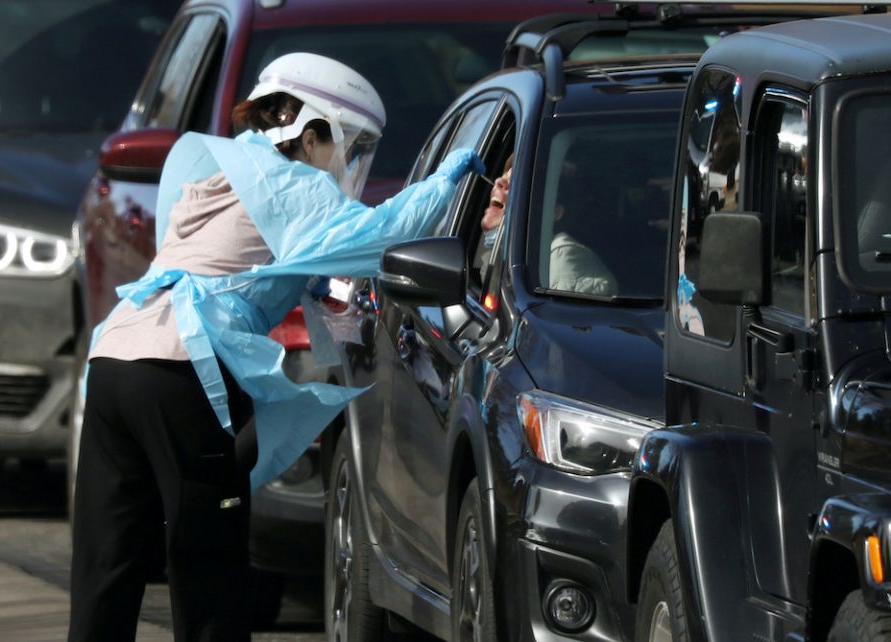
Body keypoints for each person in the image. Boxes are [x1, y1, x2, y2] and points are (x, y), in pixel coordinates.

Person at [68, 52, 482, 642]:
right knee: (207, 569)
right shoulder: (295, 182)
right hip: (181, 370)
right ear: (311, 131)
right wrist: (453, 181)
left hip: (114, 362)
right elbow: (383, 236)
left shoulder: (223, 173)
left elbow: (224, 259)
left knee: (105, 570)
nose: (345, 162)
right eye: (348, 143)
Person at [480, 156, 617, 295]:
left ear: (553, 212)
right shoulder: (518, 255)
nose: (499, 182)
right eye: (505, 177)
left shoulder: (562, 256)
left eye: (516, 184)